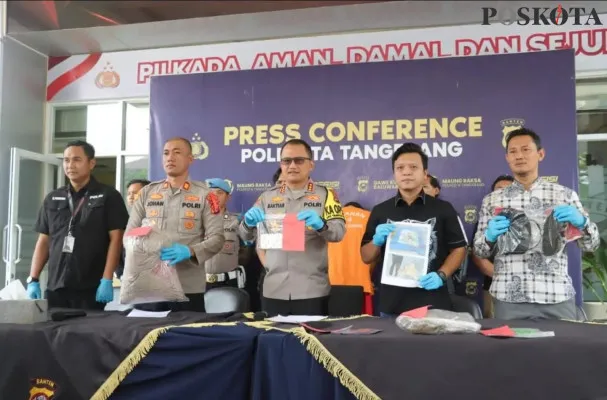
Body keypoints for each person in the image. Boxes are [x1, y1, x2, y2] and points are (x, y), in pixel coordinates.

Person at [474, 128, 599, 320]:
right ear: (507, 157)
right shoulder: (492, 201)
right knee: (511, 351)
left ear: (540, 154)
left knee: (560, 350)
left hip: (555, 295)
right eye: (513, 151)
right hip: (509, 297)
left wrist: (582, 222)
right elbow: (480, 251)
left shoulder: (564, 195)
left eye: (526, 149)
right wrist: (489, 237)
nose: (519, 156)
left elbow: (591, 246)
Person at [239, 139, 346, 316]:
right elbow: (244, 235)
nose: (292, 165)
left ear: (311, 164)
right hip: (273, 289)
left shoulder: (326, 194)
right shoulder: (267, 197)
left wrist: (322, 225)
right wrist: (247, 224)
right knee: (273, 341)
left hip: (311, 290)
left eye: (299, 160)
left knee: (309, 341)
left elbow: (339, 233)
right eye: (287, 161)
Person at [361, 143, 467, 317]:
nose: (407, 172)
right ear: (394, 174)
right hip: (392, 304)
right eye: (400, 168)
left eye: (413, 167)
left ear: (425, 174)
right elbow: (366, 256)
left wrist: (441, 275)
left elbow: (459, 248)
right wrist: (376, 241)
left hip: (433, 303)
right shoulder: (380, 210)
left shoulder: (443, 208)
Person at [26, 141, 129, 310]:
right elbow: (44, 240)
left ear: (91, 163)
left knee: (85, 334)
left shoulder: (108, 196)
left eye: (76, 160)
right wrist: (33, 279)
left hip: (90, 287)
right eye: (66, 160)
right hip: (56, 286)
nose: (70, 165)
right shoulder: (53, 197)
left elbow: (116, 239)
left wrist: (107, 278)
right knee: (53, 334)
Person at [126, 137, 225, 312]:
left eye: (177, 152)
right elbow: (129, 236)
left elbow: (217, 239)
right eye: (166, 153)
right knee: (148, 337)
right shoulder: (146, 193)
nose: (170, 157)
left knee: (187, 338)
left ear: (190, 159)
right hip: (149, 285)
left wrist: (191, 251)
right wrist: (144, 247)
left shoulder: (207, 195)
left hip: (187, 287)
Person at [470, 174, 514, 317]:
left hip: (530, 288)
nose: (503, 193)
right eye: (499, 189)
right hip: (494, 285)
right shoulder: (485, 221)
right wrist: (504, 277)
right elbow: (478, 256)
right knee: (496, 329)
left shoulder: (529, 220)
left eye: (509, 189)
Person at [327, 201, 375, 315]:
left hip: (332, 281)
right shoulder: (369, 217)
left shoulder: (330, 219)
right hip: (361, 282)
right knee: (363, 325)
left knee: (333, 323)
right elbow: (374, 253)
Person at [204, 178, 250, 290]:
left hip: (228, 282)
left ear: (228, 197)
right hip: (199, 284)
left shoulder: (237, 221)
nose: (214, 197)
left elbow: (247, 250)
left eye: (219, 193)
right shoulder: (193, 222)